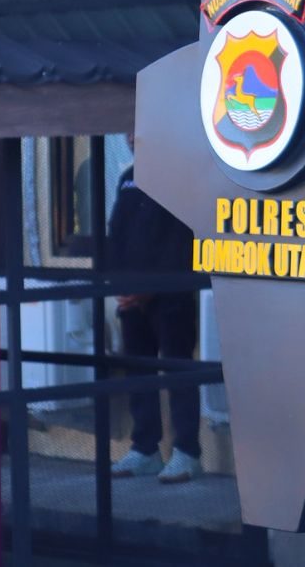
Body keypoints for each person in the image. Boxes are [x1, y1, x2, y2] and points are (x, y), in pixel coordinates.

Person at [107, 137, 203, 484]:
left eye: (138, 133)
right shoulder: (128, 177)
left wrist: (149, 289)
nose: (132, 141)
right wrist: (120, 287)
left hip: (171, 296)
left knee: (178, 371)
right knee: (139, 371)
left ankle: (187, 453)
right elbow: (115, 234)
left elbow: (180, 240)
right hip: (131, 299)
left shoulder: (180, 176)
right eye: (127, 136)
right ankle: (145, 449)